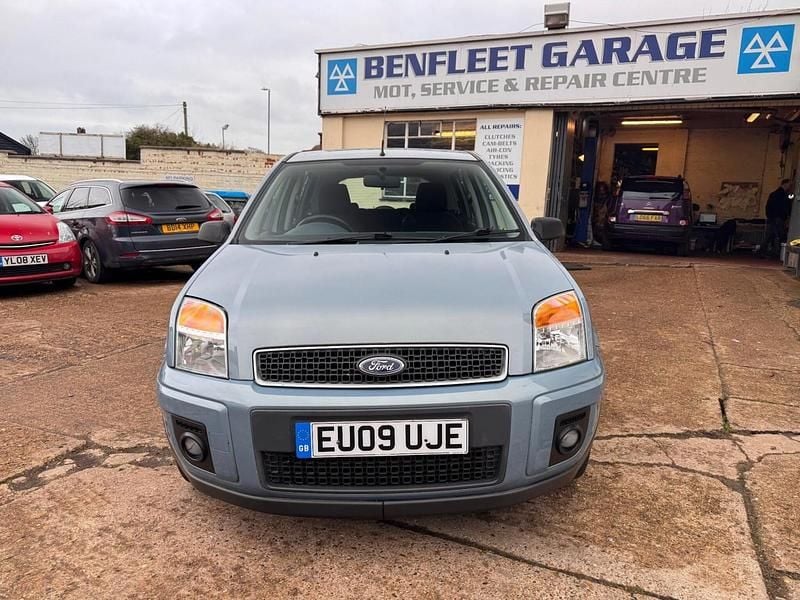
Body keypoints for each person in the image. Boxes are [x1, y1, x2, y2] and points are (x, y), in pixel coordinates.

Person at [760, 179, 793, 258]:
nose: (789, 186)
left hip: (772, 217)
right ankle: (775, 252)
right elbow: (785, 206)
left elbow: (768, 206)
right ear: (785, 184)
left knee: (770, 235)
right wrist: (787, 215)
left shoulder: (773, 194)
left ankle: (763, 251)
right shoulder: (784, 195)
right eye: (789, 185)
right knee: (778, 235)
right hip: (779, 218)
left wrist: (769, 216)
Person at [591, 181, 611, 248]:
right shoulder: (595, 200)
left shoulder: (607, 201)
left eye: (603, 191)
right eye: (600, 191)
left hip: (602, 220)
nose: (601, 193)